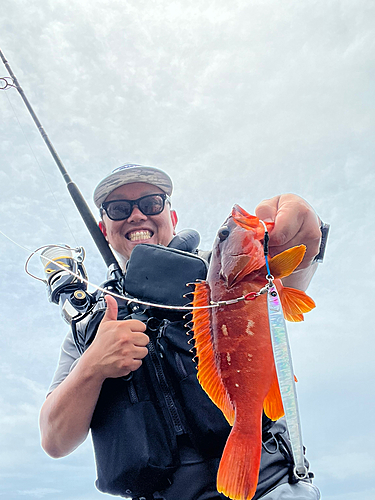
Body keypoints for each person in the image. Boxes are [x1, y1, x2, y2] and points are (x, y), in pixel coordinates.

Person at [39, 164, 324, 500]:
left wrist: (303, 233)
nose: (136, 216)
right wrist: (92, 365)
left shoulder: (213, 274)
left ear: (172, 217)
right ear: (104, 228)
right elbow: (54, 440)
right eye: (119, 209)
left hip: (271, 489)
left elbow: (290, 280)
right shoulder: (90, 326)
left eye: (151, 203)